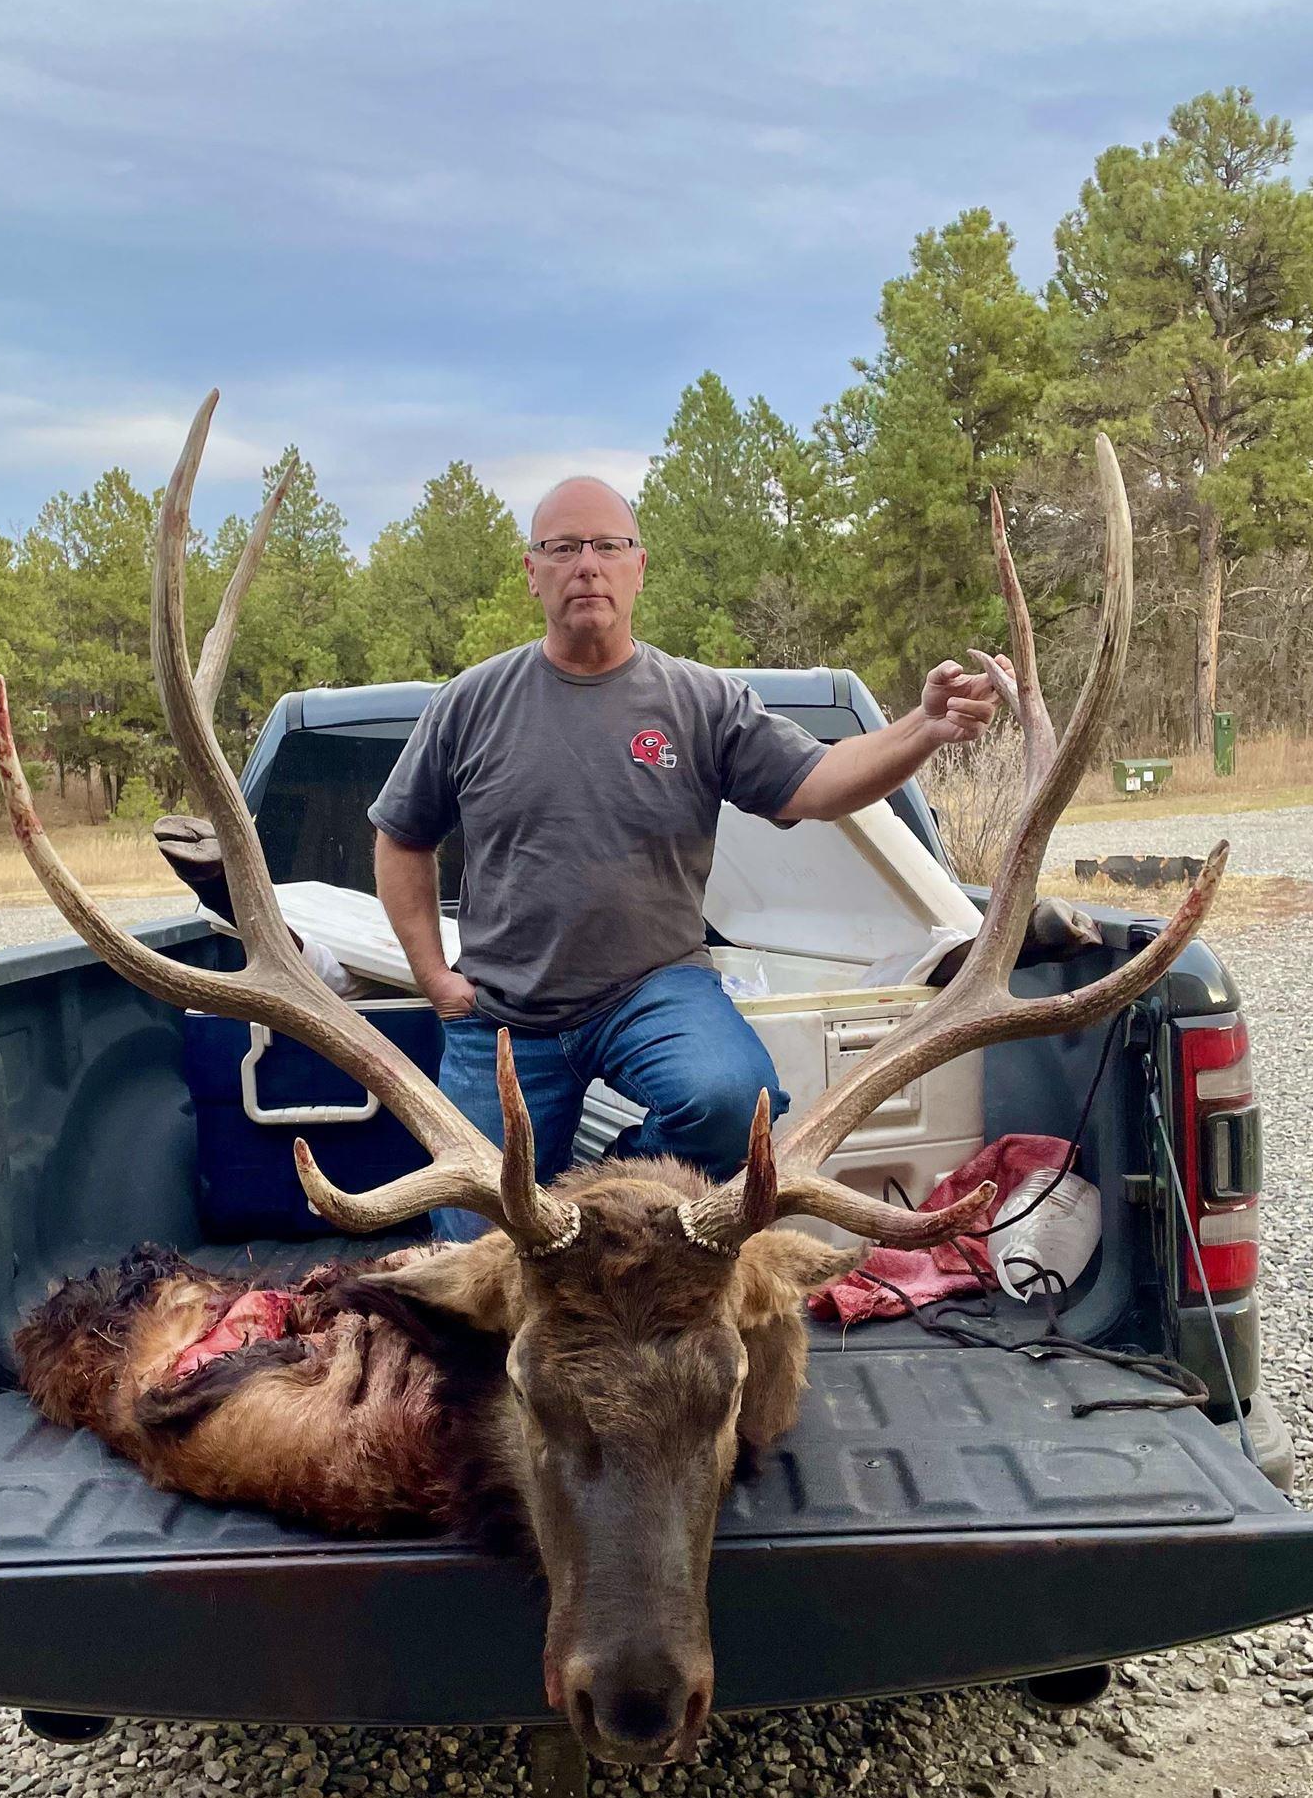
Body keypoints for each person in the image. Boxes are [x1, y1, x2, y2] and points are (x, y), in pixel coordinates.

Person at [368, 474, 1007, 1242]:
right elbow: (401, 837)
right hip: (505, 1012)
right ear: (531, 571)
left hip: (652, 990)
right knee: (474, 1245)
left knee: (735, 1104)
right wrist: (436, 979)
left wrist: (924, 728)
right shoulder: (470, 703)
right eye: (563, 548)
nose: (587, 565)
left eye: (608, 546)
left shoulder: (700, 701)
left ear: (639, 567)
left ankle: (603, 1203)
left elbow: (820, 783)